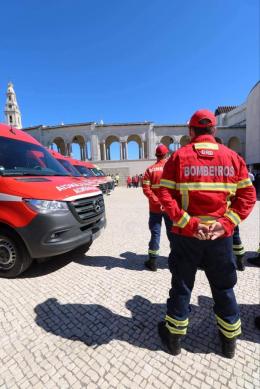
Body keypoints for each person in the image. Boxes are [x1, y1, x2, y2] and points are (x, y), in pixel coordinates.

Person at [158, 109, 256, 358]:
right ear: (214, 131)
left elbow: (165, 195)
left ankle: (174, 339)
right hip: (220, 237)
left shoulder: (178, 157)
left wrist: (189, 223)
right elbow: (248, 196)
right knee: (224, 288)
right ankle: (229, 342)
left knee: (181, 286)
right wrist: (226, 223)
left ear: (191, 131)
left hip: (186, 236)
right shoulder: (233, 158)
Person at [142, 144, 172, 271]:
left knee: (155, 233)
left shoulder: (149, 170)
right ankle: (174, 260)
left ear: (156, 155)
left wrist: (157, 202)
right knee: (172, 233)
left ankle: (153, 261)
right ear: (166, 154)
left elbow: (146, 189)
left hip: (154, 208)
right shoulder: (171, 168)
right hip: (170, 208)